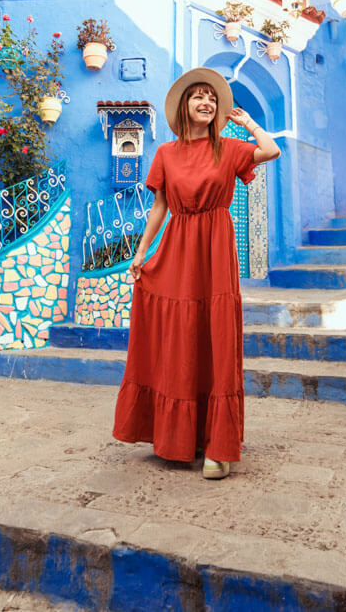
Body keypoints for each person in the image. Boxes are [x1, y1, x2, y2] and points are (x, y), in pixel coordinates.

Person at [112, 67, 281, 479]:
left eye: (211, 98)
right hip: (176, 249)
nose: (206, 102)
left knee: (214, 336)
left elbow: (272, 151)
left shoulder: (230, 149)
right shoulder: (166, 154)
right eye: (197, 97)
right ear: (184, 106)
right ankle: (176, 437)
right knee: (179, 335)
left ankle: (218, 448)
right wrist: (140, 252)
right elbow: (160, 208)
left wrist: (248, 122)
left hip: (215, 248)